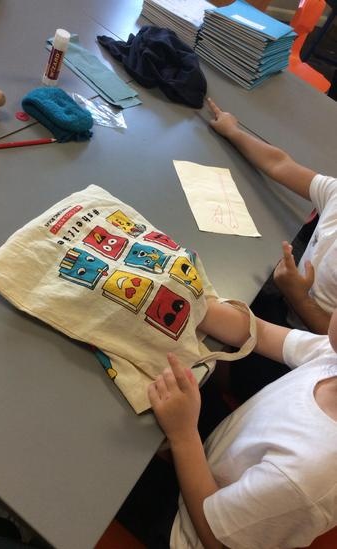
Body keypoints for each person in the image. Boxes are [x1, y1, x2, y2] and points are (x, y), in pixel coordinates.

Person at [146, 298, 337, 549]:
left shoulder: (307, 475)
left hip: (185, 528)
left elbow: (214, 538)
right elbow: (262, 333)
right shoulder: (332, 356)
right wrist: (192, 303)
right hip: (216, 454)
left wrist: (183, 435)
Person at [207, 98, 337, 335]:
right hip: (290, 291)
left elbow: (331, 345)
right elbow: (278, 164)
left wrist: (297, 297)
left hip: (303, 335)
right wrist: (233, 131)